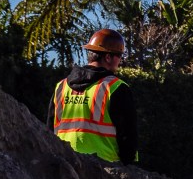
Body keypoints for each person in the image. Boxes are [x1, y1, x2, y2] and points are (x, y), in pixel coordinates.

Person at [47, 28, 138, 164]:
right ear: (108, 57)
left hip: (65, 164)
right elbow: (128, 136)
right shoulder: (116, 88)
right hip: (105, 168)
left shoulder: (61, 87)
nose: (120, 61)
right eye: (119, 55)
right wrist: (128, 167)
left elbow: (49, 130)